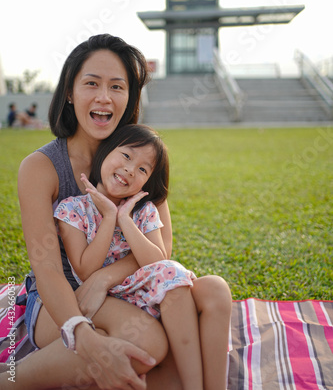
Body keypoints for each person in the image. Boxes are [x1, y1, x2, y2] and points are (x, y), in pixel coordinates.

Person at [0, 34, 231, 390]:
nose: (104, 97)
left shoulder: (140, 157)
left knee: (212, 292)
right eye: (91, 83)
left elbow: (162, 252)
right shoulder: (42, 167)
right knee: (149, 343)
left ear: (130, 97)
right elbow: (47, 271)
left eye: (117, 87)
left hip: (130, 289)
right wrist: (85, 337)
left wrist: (103, 279)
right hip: (59, 300)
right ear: (69, 92)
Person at [55, 123, 206, 389]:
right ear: (105, 152)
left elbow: (159, 262)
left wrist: (124, 219)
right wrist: (109, 217)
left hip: (141, 293)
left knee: (175, 275)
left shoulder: (143, 211)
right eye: (126, 156)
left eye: (143, 169)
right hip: (103, 299)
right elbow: (85, 271)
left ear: (147, 182)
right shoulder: (73, 209)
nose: (129, 170)